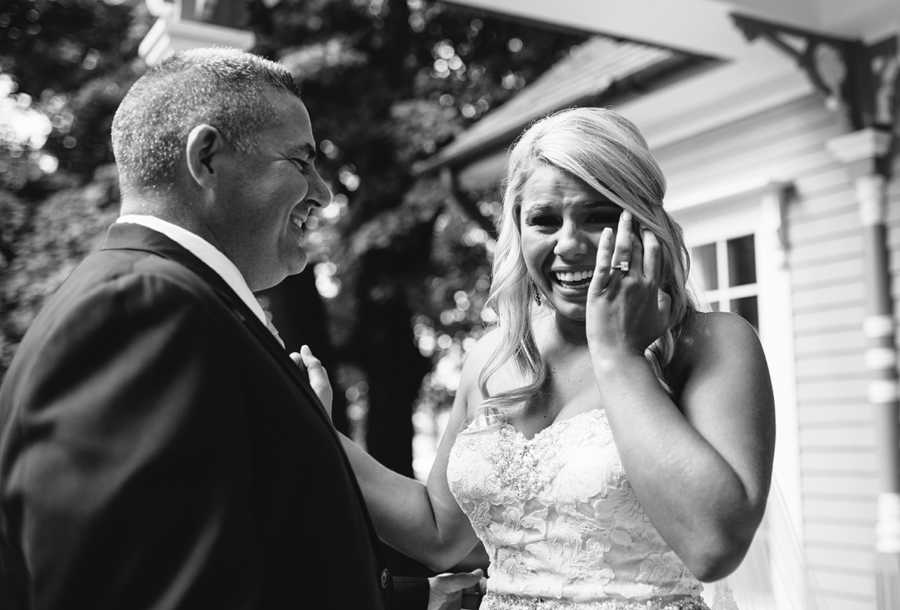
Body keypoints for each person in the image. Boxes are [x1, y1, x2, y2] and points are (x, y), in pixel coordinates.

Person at [0, 48, 480, 610]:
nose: (323, 192)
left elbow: (234, 556)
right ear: (206, 157)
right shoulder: (141, 305)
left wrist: (412, 599)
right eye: (301, 162)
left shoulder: (182, 303)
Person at [304, 107, 775, 609]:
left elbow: (713, 547)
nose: (569, 245)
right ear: (518, 229)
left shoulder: (714, 344)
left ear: (643, 221)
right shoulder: (493, 353)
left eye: (598, 217)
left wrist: (620, 357)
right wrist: (319, 428)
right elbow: (439, 535)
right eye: (545, 220)